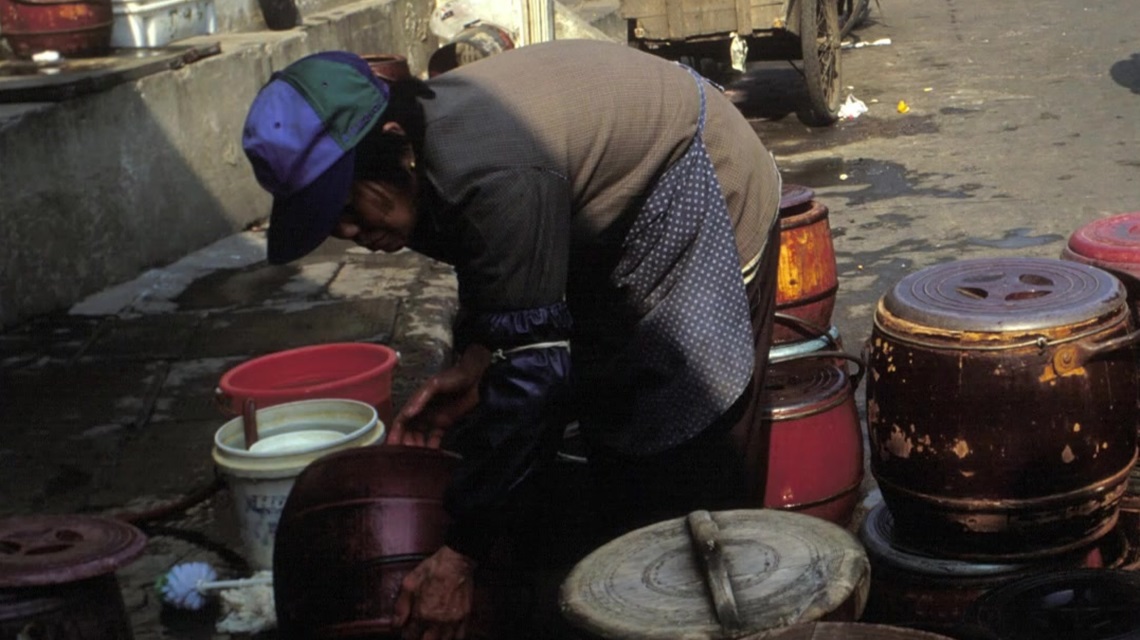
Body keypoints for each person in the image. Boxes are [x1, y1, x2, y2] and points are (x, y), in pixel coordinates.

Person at [242, 40, 783, 640]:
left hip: (691, 176)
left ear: (394, 140)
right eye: (331, 224)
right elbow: (499, 276)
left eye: (348, 206)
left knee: (684, 441)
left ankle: (725, 607)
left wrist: (459, 558)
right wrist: (480, 360)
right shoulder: (427, 152)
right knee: (604, 422)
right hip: (599, 208)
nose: (351, 232)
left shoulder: (491, 172)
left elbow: (536, 380)